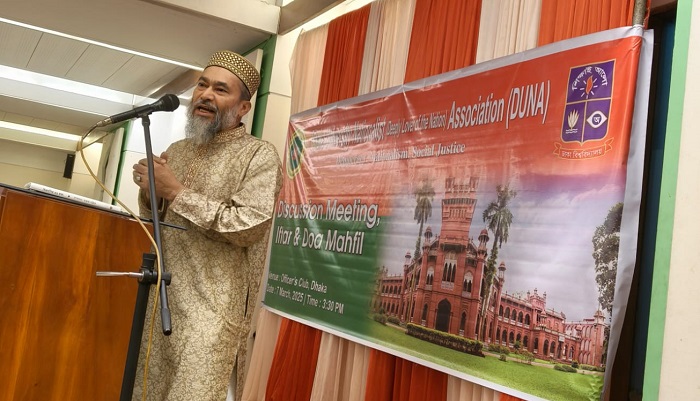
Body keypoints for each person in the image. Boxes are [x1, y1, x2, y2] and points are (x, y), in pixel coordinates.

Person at [131, 50, 282, 401]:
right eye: (202, 85)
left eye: (220, 89)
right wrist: (150, 192)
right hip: (160, 301)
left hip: (211, 314)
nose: (206, 95)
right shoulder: (178, 149)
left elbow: (248, 226)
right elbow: (157, 219)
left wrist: (176, 191)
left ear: (243, 108)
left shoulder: (259, 155)